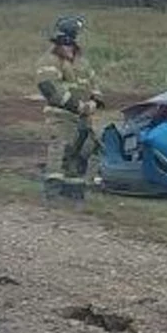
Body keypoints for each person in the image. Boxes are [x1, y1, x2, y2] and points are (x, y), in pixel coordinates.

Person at [35, 15, 103, 207]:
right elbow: (50, 88)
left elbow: (94, 84)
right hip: (60, 116)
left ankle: (74, 194)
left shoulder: (82, 62)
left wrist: (95, 102)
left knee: (81, 155)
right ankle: (53, 195)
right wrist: (78, 106)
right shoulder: (49, 60)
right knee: (59, 152)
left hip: (83, 119)